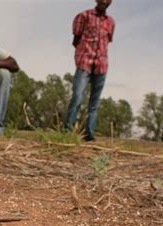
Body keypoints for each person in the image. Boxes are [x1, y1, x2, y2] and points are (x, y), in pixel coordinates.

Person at [64, 0, 115, 141]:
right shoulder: (83, 16)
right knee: (77, 97)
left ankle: (89, 134)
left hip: (102, 65)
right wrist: (84, 53)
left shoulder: (111, 22)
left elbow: (107, 42)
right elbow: (76, 39)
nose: (104, 1)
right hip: (84, 63)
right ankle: (68, 131)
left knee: (95, 103)